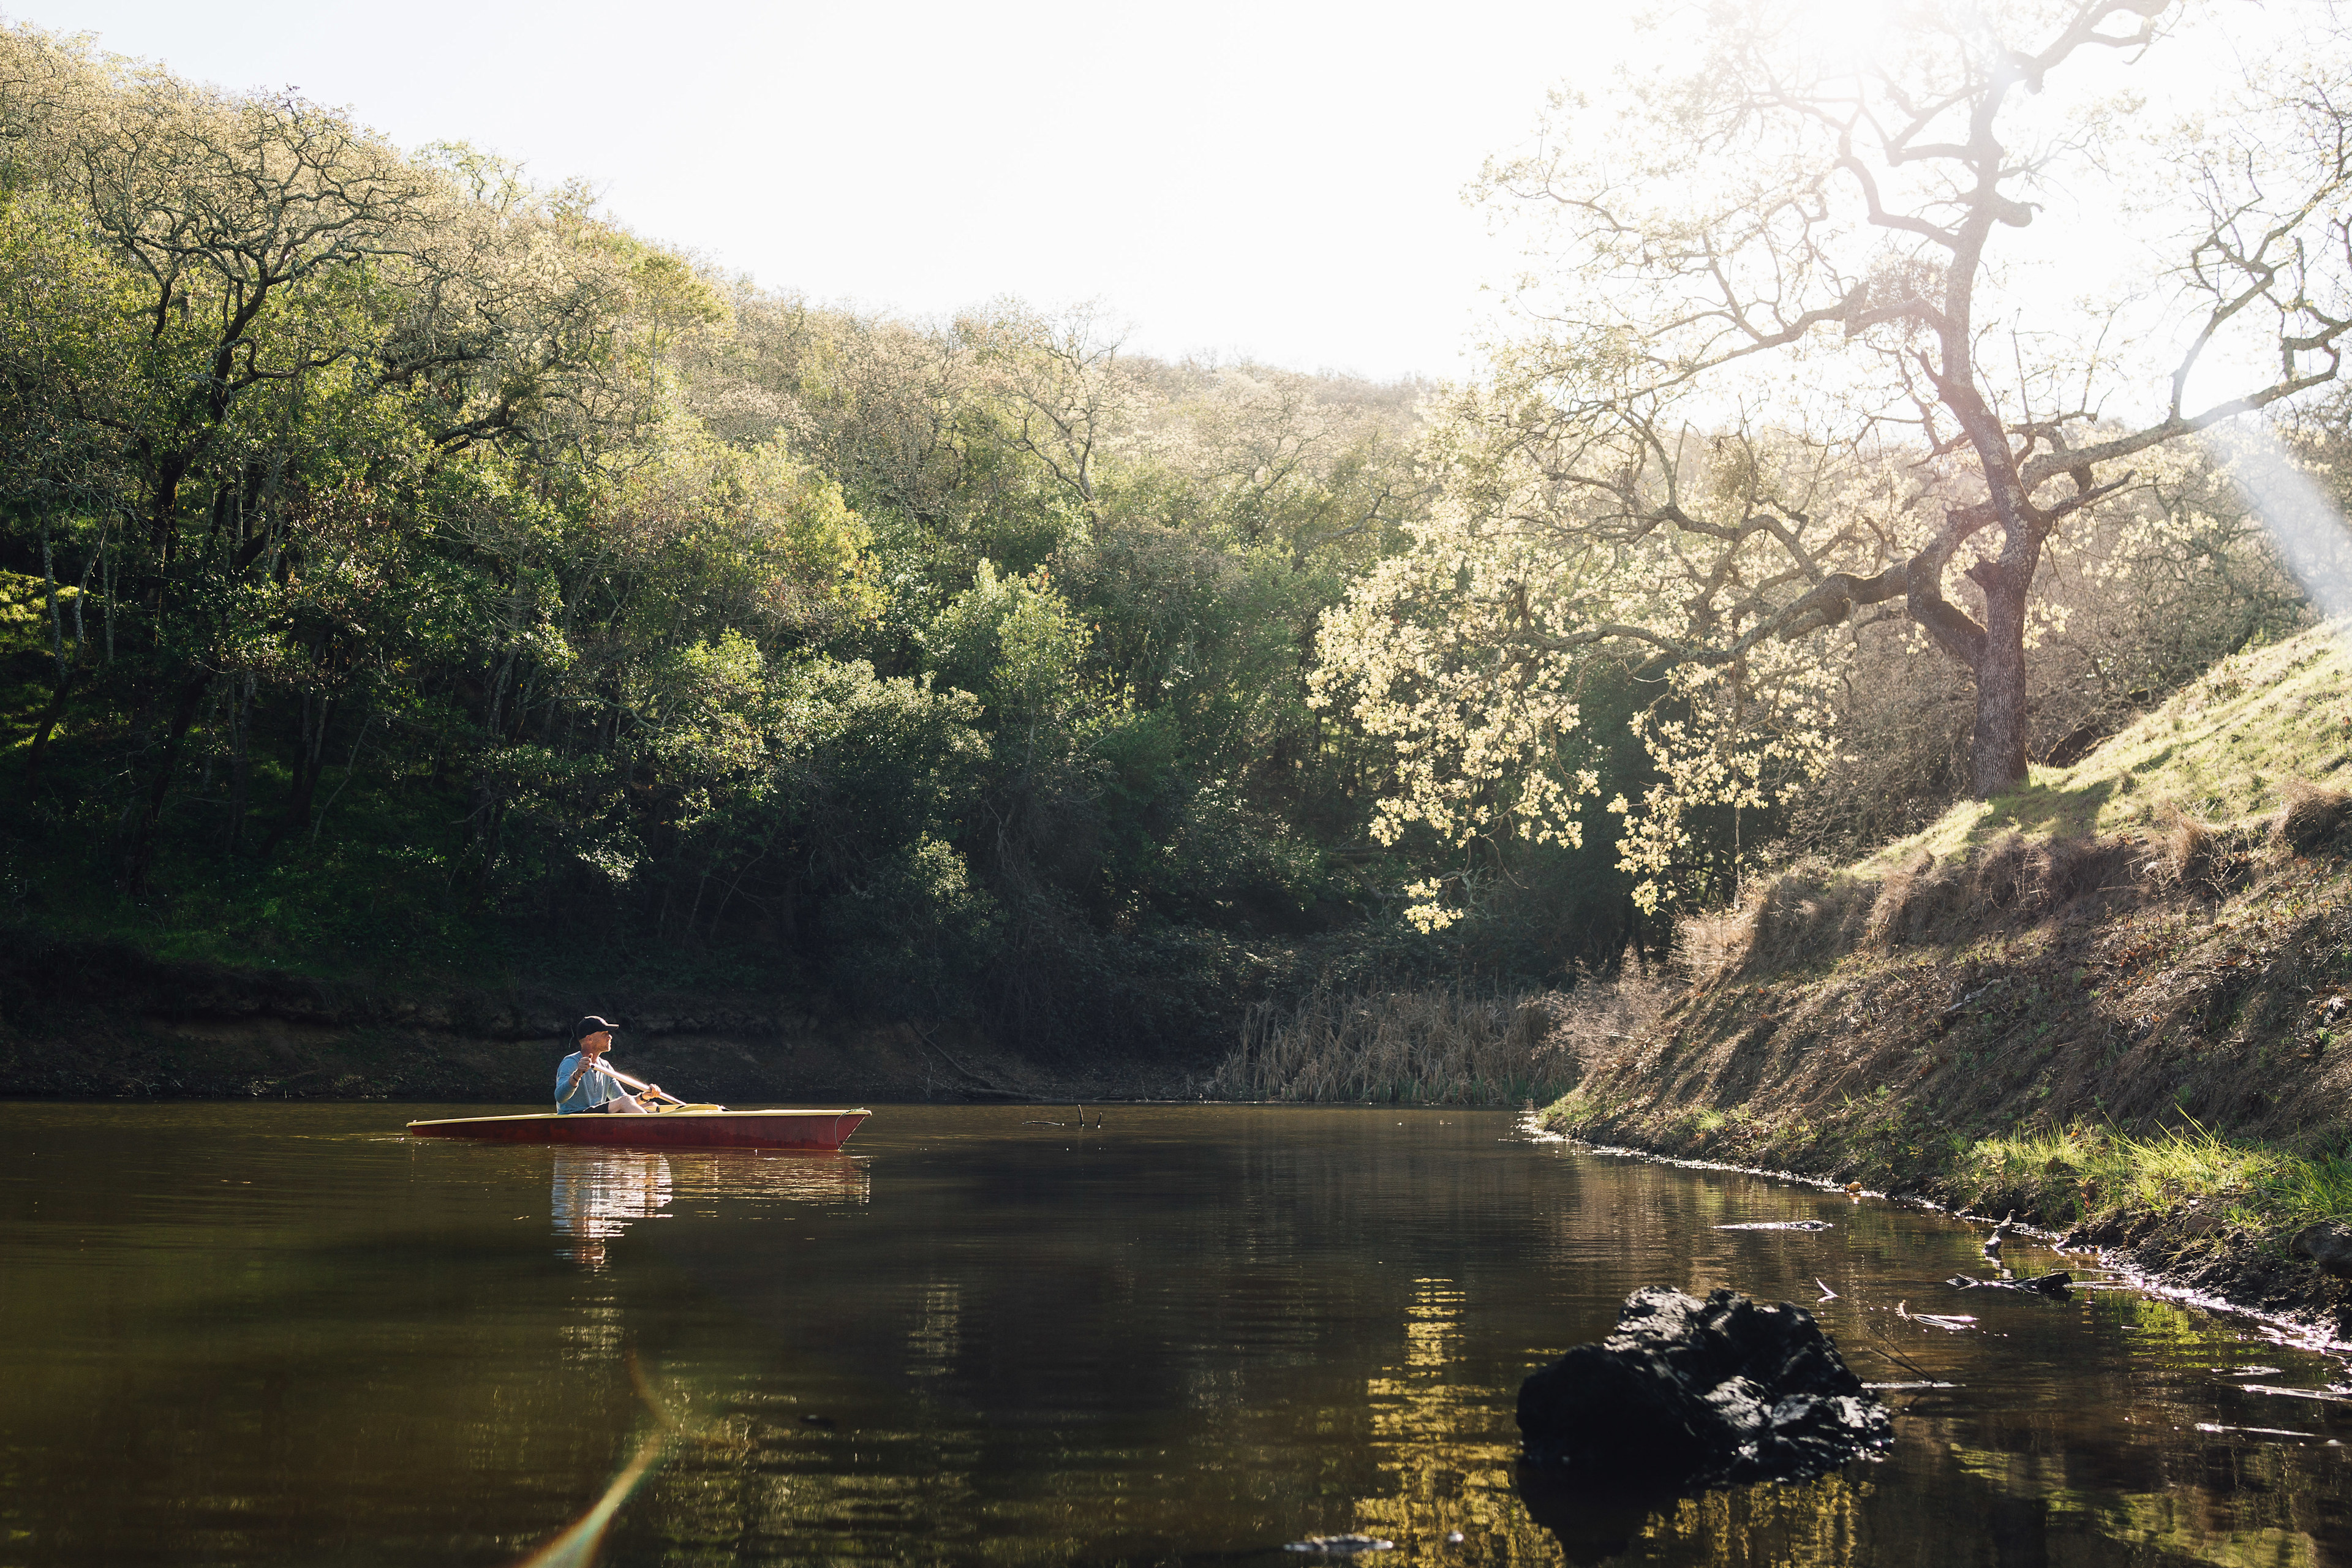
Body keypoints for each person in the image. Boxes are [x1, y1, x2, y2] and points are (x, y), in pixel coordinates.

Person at [554, 1016, 664, 1114]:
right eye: (604, 1034)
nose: (610, 1037)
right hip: (575, 1116)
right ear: (589, 1039)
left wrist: (644, 1096)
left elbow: (623, 1099)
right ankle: (654, 1128)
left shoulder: (605, 1066)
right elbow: (560, 1097)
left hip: (595, 1117)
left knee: (652, 1105)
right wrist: (577, 1075)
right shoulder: (570, 1062)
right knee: (625, 1101)